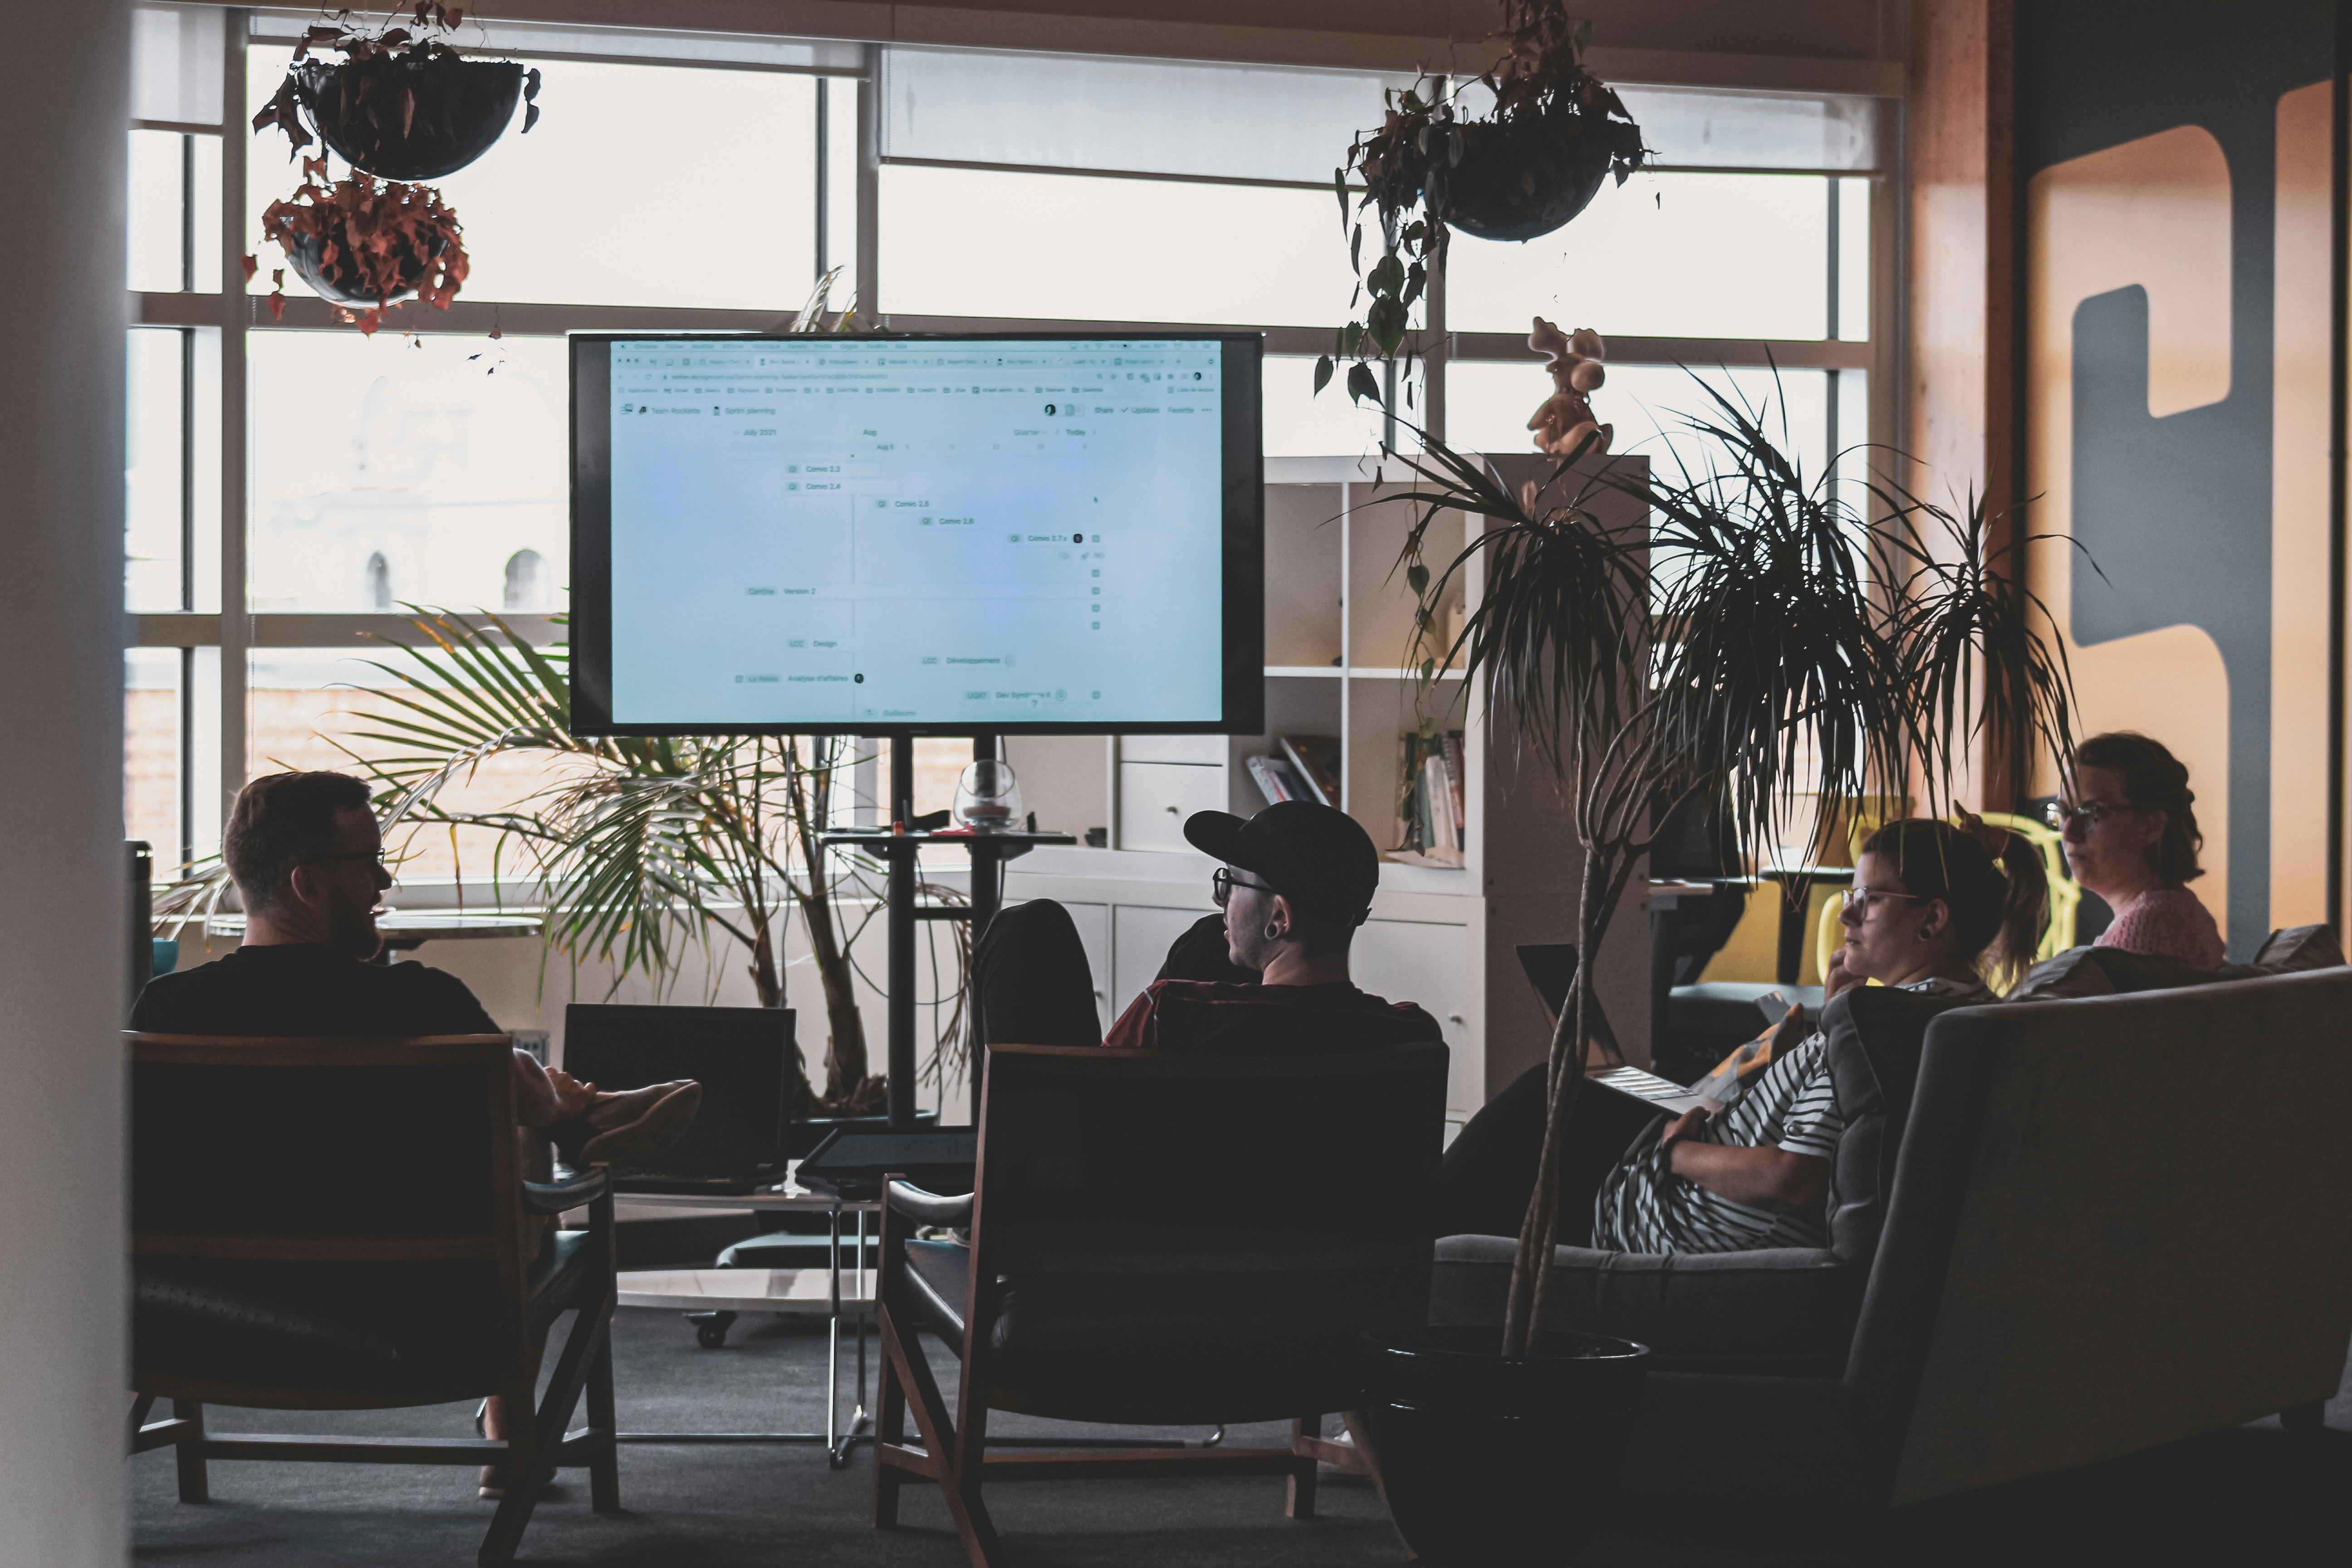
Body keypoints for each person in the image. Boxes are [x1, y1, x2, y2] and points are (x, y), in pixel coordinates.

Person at [130, 770, 701, 1495]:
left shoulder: (161, 1012)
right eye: (366, 861)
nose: (384, 879)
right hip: (414, 1311)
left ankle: (577, 1117)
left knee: (513, 1099)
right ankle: (508, 1432)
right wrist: (550, 1101)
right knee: (519, 1125)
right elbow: (507, 1081)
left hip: (204, 1310)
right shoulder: (423, 1000)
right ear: (308, 884)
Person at [1440, 815, 2047, 1251]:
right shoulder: (1958, 1010)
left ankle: (1397, 1269)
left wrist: (1675, 1151)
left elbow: (1795, 1178)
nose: (1850, 914)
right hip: (1695, 1138)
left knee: (1536, 1110)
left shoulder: (1877, 1028)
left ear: (1933, 919)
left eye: (1870, 898)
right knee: (1580, 1080)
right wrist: (1831, 1020)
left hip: (1663, 1212)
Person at [968, 799, 1441, 1057]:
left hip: (1128, 1228)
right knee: (1210, 940)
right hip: (1332, 1235)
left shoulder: (1171, 1014)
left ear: (1280, 917)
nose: (1222, 902)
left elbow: (1090, 1110)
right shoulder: (1411, 1034)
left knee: (1028, 928)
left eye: (1230, 885)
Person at [2048, 731, 2227, 969]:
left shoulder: (2145, 931)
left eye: (2090, 813)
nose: (2069, 833)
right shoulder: (2175, 910)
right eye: (2062, 813)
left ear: (2150, 826)